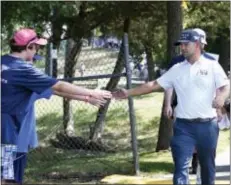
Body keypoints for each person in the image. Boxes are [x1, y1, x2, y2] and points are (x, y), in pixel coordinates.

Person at [113, 29, 230, 185]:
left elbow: (225, 86)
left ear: (197, 45)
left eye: (185, 44)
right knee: (180, 167)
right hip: (183, 127)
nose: (182, 47)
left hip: (207, 126)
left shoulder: (212, 66)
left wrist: (221, 98)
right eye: (180, 44)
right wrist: (127, 92)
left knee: (208, 169)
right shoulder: (177, 69)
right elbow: (153, 85)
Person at [1, 28, 112, 184]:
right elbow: (58, 86)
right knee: (7, 176)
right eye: (36, 48)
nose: (36, 55)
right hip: (10, 133)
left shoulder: (4, 62)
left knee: (6, 174)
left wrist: (87, 98)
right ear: (29, 47)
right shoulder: (23, 70)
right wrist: (92, 92)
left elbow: (54, 90)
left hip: (9, 131)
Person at [164, 28, 219, 175]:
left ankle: (198, 168)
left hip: (205, 111)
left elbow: (217, 86)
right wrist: (168, 104)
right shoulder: (177, 61)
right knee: (183, 141)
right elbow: (168, 84)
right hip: (181, 108)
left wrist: (218, 108)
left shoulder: (212, 61)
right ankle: (184, 166)